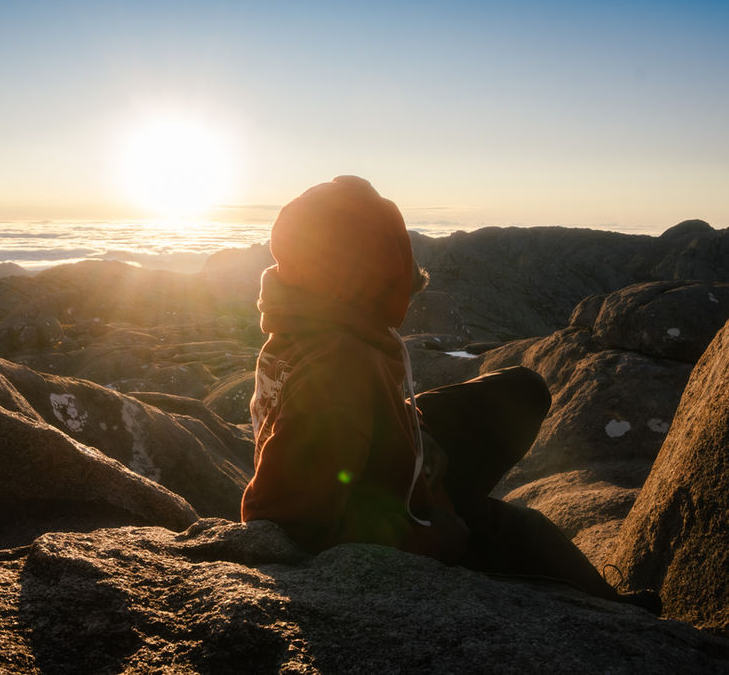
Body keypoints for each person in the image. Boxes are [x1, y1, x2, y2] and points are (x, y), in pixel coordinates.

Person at [240, 175, 659, 613]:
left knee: (522, 390)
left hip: (381, 462)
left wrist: (416, 428)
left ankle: (438, 464)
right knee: (518, 530)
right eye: (394, 282)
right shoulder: (338, 368)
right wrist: (436, 536)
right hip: (393, 509)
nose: (404, 297)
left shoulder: (308, 319)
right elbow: (291, 522)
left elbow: (336, 428)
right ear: (361, 278)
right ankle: (621, 614)